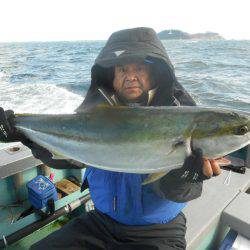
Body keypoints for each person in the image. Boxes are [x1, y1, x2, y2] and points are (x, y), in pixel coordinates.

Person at [0, 27, 221, 250]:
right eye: (122, 69)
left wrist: (183, 178)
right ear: (112, 78)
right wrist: (22, 134)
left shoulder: (182, 115)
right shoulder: (96, 115)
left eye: (140, 69)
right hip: (100, 223)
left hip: (157, 232)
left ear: (156, 73)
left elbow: (181, 192)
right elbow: (68, 159)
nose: (131, 76)